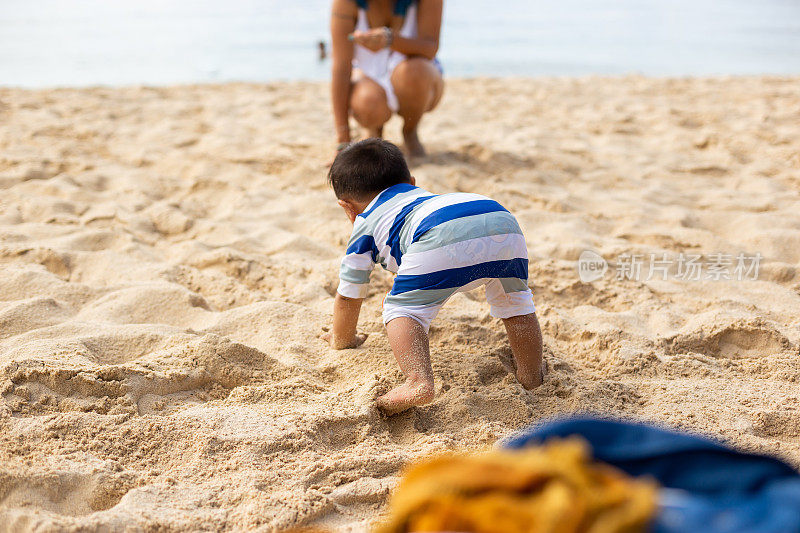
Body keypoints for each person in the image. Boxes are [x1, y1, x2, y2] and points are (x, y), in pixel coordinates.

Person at [322, 139, 544, 414]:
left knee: (402, 309)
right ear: (412, 181)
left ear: (348, 208)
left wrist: (342, 339)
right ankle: (532, 375)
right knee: (516, 302)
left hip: (436, 232)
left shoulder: (364, 223)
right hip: (497, 215)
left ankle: (417, 381)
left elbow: (349, 295)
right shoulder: (422, 199)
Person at [329, 0, 444, 158]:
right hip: (367, 76)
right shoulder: (346, 3)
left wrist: (390, 41)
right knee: (367, 102)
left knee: (415, 73)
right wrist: (343, 139)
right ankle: (373, 130)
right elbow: (341, 68)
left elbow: (431, 47)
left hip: (417, 72)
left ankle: (410, 130)